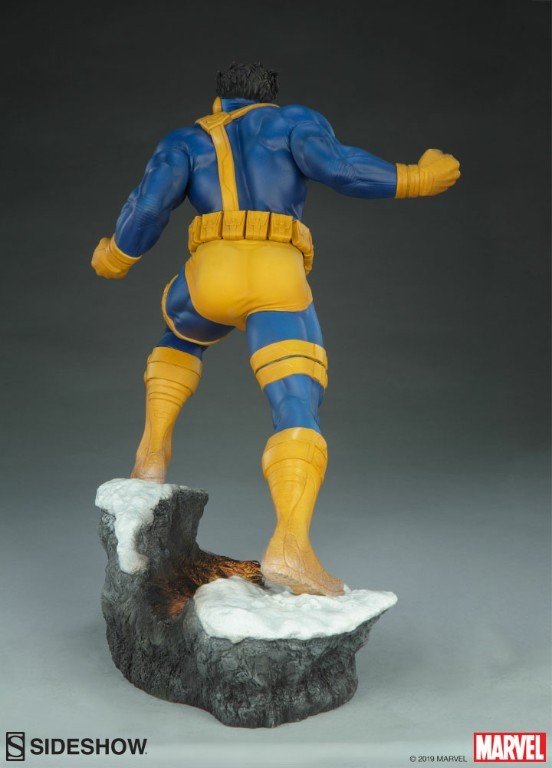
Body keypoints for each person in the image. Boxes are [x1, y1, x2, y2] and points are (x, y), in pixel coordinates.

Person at [91, 62, 460, 596]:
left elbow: (147, 209)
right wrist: (416, 178)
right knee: (295, 402)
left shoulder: (186, 140)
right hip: (275, 277)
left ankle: (150, 456)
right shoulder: (291, 122)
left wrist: (116, 255)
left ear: (220, 99)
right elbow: (341, 168)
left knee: (179, 336)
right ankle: (290, 544)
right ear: (269, 96)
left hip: (207, 276)